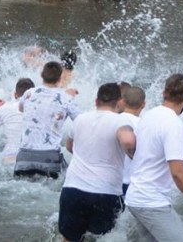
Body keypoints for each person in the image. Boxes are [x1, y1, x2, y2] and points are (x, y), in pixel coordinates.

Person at [124, 73, 183, 242]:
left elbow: (132, 149)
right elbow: (177, 172)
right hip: (150, 201)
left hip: (136, 196)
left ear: (163, 92)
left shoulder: (148, 116)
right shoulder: (174, 125)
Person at [59, 83, 137, 242]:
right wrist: (134, 156)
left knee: (68, 238)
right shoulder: (119, 120)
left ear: (96, 101)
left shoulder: (80, 119)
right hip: (104, 192)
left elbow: (69, 146)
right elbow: (128, 141)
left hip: (72, 189)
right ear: (119, 101)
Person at [15, 61, 80, 178]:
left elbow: (21, 109)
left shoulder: (28, 93)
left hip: (23, 158)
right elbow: (81, 122)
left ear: (41, 74)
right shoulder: (67, 98)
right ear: (60, 78)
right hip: (50, 158)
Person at [0, 77, 35, 163]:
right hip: (35, 158)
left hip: (11, 158)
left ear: (15, 95)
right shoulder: (43, 109)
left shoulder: (7, 108)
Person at [121, 85, 145, 196]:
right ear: (143, 104)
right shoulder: (144, 125)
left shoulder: (111, 120)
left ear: (123, 101)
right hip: (132, 182)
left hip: (108, 182)